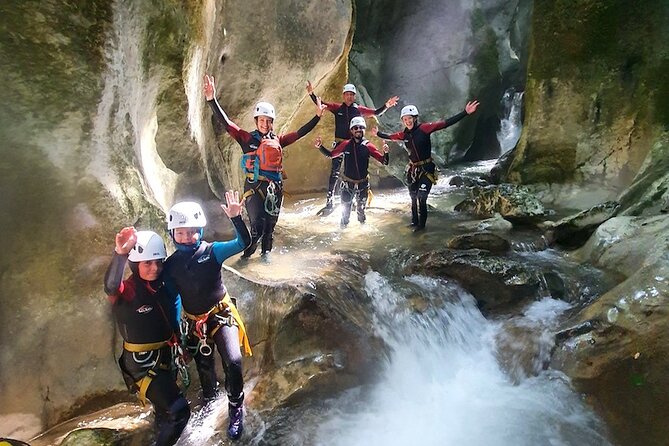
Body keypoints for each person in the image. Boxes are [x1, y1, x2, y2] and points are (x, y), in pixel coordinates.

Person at [163, 191, 253, 441]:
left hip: (220, 314)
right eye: (180, 232)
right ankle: (210, 400)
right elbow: (174, 297)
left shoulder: (211, 252)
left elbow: (241, 243)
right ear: (172, 234)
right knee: (204, 367)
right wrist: (176, 331)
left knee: (233, 360)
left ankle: (235, 407)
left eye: (191, 231)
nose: (186, 236)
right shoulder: (170, 266)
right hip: (192, 321)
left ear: (200, 231)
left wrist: (237, 218)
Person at [204, 74, 326, 258]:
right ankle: (246, 257)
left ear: (272, 123)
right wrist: (212, 100)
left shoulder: (278, 140)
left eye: (268, 121)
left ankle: (265, 260)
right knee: (257, 228)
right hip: (254, 187)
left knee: (269, 229)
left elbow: (300, 133)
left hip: (274, 188)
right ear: (256, 121)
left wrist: (317, 116)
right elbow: (227, 124)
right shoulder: (247, 139)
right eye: (262, 120)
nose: (265, 123)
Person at [103, 229, 190, 446]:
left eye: (158, 263)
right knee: (180, 411)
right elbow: (111, 286)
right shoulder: (129, 291)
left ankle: (159, 433)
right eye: (147, 263)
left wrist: (181, 344)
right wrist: (120, 253)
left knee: (164, 411)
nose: (155, 268)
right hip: (142, 365)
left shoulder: (161, 285)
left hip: (164, 356)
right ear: (135, 264)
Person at [373, 101, 480, 231]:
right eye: (405, 119)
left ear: (415, 118)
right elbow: (390, 136)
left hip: (427, 169)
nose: (408, 121)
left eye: (410, 118)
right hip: (413, 170)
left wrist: (465, 113)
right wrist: (377, 134)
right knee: (413, 198)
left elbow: (444, 124)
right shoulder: (404, 135)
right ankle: (414, 222)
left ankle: (421, 227)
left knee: (421, 197)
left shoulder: (424, 129)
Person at [306, 80, 399, 215]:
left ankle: (355, 199)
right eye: (347, 94)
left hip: (353, 145)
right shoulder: (338, 108)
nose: (349, 96)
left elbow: (376, 112)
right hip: (340, 143)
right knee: (335, 172)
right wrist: (311, 93)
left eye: (351, 94)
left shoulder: (359, 110)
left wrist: (387, 105)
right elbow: (322, 104)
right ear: (343, 96)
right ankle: (329, 200)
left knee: (354, 171)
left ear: (354, 96)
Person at [314, 116, 389, 227]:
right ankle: (343, 234)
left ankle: (362, 233)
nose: (358, 130)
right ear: (351, 131)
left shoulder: (368, 146)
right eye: (355, 128)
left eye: (360, 128)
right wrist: (320, 147)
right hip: (348, 184)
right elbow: (331, 155)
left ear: (364, 129)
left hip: (363, 184)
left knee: (361, 212)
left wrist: (386, 152)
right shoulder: (345, 145)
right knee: (345, 214)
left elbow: (384, 161)